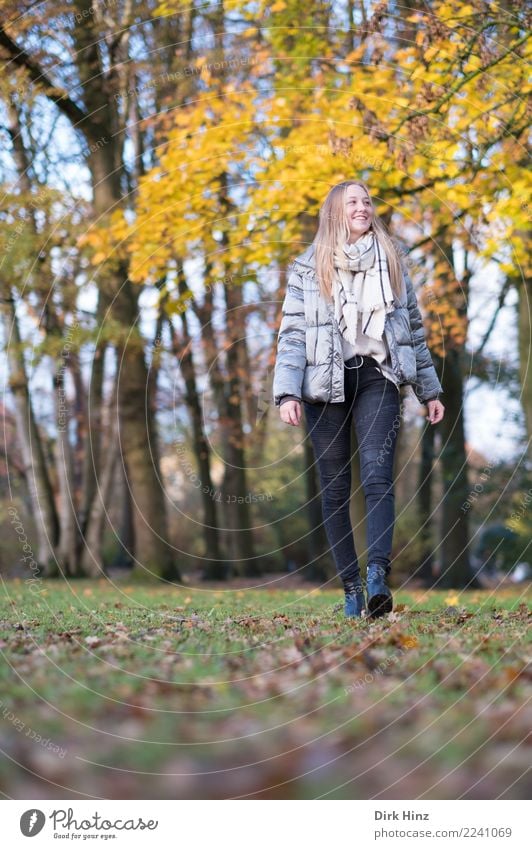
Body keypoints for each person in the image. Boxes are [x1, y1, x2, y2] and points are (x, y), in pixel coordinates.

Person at [273, 180, 445, 619]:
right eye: (352, 201)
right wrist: (287, 392)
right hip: (322, 386)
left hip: (377, 377)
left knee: (376, 476)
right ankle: (350, 589)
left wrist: (429, 390)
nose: (363, 207)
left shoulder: (392, 261)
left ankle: (375, 579)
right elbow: (292, 335)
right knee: (333, 491)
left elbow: (413, 332)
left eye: (367, 201)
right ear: (334, 212)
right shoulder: (308, 269)